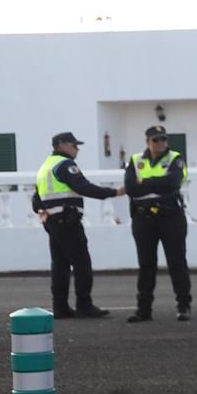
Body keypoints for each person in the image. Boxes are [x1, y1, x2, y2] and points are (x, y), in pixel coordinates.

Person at [31, 130, 123, 318]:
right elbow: (82, 186)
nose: (77, 150)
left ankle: (60, 307)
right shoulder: (65, 165)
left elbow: (36, 200)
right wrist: (113, 193)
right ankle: (84, 304)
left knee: (60, 265)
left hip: (52, 221)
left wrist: (43, 211)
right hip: (68, 220)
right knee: (81, 262)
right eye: (74, 145)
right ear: (62, 145)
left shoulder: (44, 168)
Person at [124, 125, 193, 323]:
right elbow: (130, 188)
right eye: (155, 140)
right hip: (143, 218)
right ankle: (143, 310)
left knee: (177, 263)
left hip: (170, 217)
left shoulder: (175, 158)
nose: (160, 143)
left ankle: (184, 306)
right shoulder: (136, 160)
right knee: (146, 265)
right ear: (147, 142)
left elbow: (172, 183)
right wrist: (156, 183)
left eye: (163, 139)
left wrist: (144, 183)